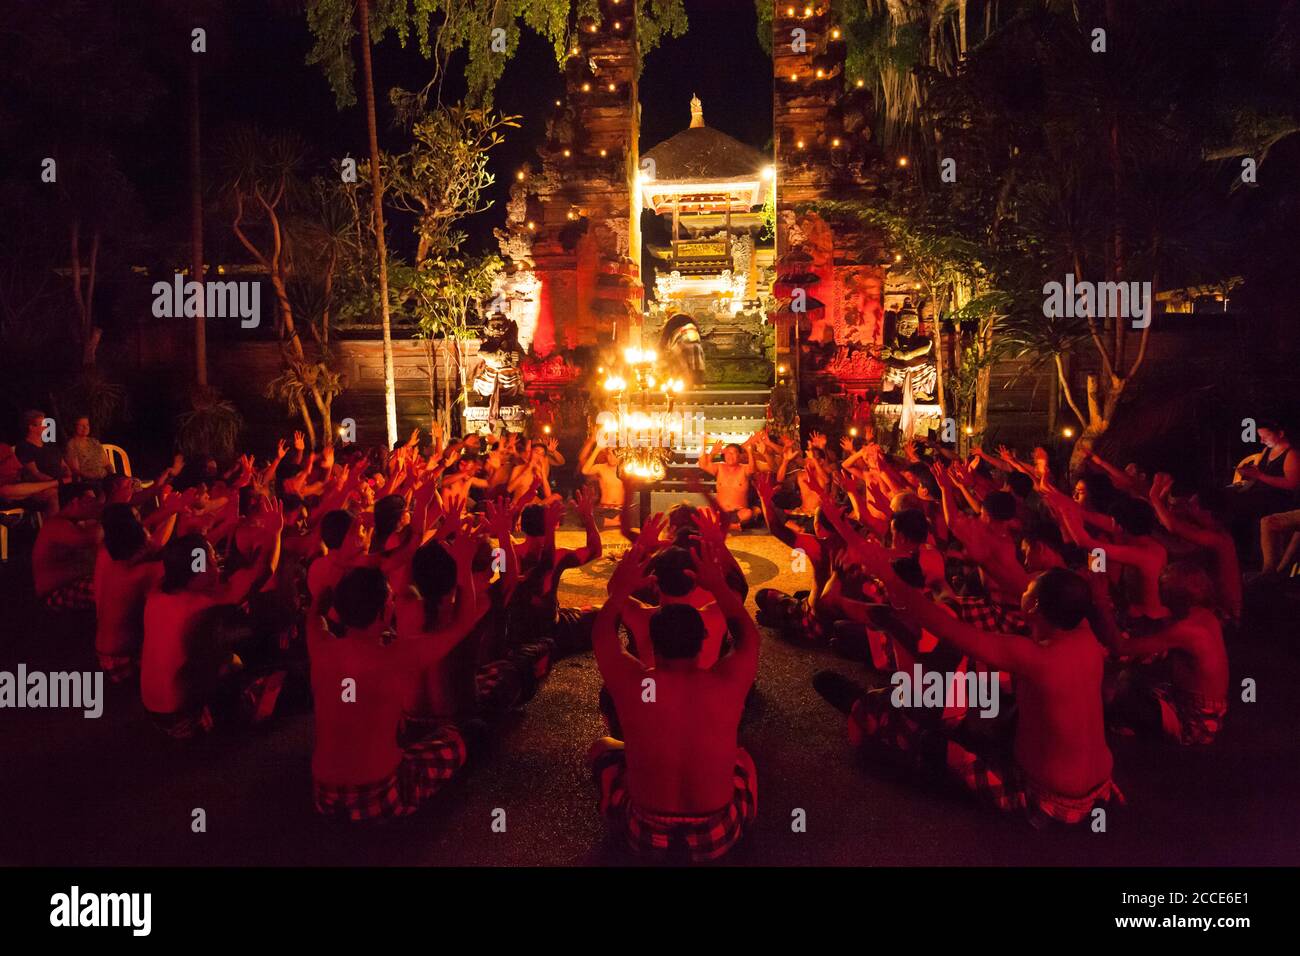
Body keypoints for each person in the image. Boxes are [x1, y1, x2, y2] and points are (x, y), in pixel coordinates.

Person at [816, 512, 1123, 827]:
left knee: (932, 748)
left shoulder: (1033, 656)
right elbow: (1035, 591)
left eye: (1030, 590)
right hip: (1099, 783)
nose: (1023, 587)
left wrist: (887, 577)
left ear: (1033, 606)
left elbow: (945, 626)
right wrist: (988, 559)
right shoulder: (1081, 633)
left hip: (1048, 797)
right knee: (988, 711)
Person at [589, 532, 760, 862]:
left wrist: (624, 583)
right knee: (743, 758)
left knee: (602, 748)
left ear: (651, 642)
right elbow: (746, 633)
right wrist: (718, 586)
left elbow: (602, 632)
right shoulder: (729, 682)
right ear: (704, 639)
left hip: (644, 835)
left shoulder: (633, 684)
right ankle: (745, 824)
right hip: (718, 833)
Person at [308, 556, 486, 822]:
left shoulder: (319, 645)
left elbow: (315, 615)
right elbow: (463, 624)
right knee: (468, 734)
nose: (393, 604)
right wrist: (463, 563)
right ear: (381, 612)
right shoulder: (395, 655)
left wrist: (331, 591)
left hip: (324, 794)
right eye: (390, 600)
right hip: (379, 792)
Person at [140, 509, 284, 740]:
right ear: (197, 571)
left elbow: (189, 557)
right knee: (238, 665)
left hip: (152, 711)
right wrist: (274, 534)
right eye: (212, 562)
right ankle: (226, 726)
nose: (218, 567)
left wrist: (209, 534)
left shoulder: (159, 589)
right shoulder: (199, 603)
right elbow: (262, 572)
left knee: (217, 642)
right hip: (180, 718)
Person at [1104, 562, 1229, 746]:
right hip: (1200, 708)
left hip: (1196, 722)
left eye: (1163, 588)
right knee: (1134, 673)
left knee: (1116, 690)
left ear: (1178, 596)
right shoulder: (1204, 615)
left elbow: (1120, 647)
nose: (1159, 592)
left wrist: (1100, 602)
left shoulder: (1187, 629)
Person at [94, 500, 181, 682]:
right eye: (138, 520)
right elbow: (183, 564)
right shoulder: (144, 572)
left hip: (106, 654)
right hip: (121, 662)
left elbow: (153, 547)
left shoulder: (113, 558)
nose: (144, 525)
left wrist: (173, 510)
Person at [33, 483, 102, 611]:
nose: (95, 504)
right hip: (55, 593)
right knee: (110, 589)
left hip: (73, 585)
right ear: (74, 501)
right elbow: (89, 539)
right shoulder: (56, 524)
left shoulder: (77, 523)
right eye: (90, 500)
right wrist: (112, 509)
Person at [698, 437, 757, 526]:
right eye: (728, 453)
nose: (730, 455)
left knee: (748, 513)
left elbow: (752, 469)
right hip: (719, 512)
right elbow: (703, 465)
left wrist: (749, 452)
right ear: (724, 455)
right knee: (701, 510)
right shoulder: (719, 467)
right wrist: (706, 448)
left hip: (738, 513)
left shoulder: (744, 469)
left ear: (739, 456)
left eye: (734, 453)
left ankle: (724, 525)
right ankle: (731, 526)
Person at [16, 408, 67, 489]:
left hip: (62, 481)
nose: (46, 426)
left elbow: (63, 465)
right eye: (42, 424)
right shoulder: (24, 447)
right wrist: (58, 483)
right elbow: (35, 474)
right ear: (31, 427)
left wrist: (70, 476)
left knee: (87, 490)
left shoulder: (50, 443)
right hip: (44, 486)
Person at [65, 415, 112, 482]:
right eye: (81, 425)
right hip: (89, 480)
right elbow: (76, 471)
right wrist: (92, 476)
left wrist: (112, 476)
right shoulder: (72, 444)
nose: (85, 427)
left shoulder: (94, 442)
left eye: (87, 425)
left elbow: (107, 463)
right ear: (74, 427)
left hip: (104, 477)